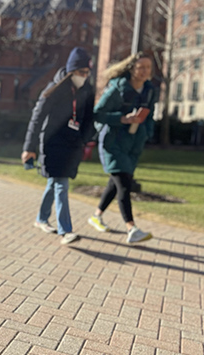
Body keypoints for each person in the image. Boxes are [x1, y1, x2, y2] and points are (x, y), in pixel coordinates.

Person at [22, 47, 95, 245]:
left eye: (87, 73)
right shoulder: (53, 89)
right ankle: (66, 231)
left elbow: (89, 119)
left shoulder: (87, 90)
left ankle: (41, 219)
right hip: (52, 143)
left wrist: (86, 139)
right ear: (71, 71)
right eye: (81, 73)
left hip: (72, 144)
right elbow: (36, 119)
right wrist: (29, 148)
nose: (84, 77)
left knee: (54, 182)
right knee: (61, 184)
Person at [87, 52, 156, 244]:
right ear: (132, 68)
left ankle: (96, 216)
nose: (144, 71)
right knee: (124, 183)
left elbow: (150, 115)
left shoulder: (150, 90)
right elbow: (98, 114)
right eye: (141, 67)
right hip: (113, 142)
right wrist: (122, 118)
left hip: (134, 144)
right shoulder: (117, 89)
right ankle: (131, 228)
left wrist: (147, 133)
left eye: (148, 68)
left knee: (115, 182)